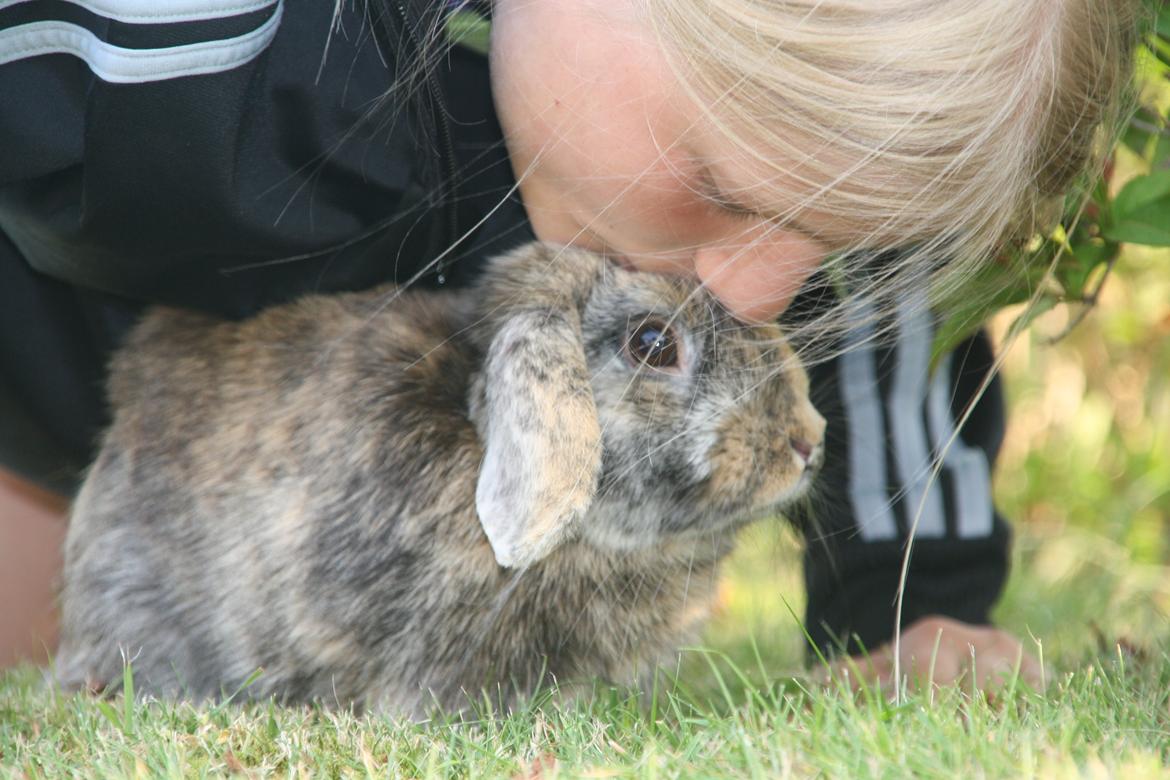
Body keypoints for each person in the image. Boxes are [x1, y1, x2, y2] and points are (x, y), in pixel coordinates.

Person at [0, 0, 1138, 688]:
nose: (753, 291)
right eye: (716, 184)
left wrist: (912, 603)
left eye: (832, 243)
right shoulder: (189, 52)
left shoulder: (770, 202)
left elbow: (883, 318)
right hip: (58, 376)